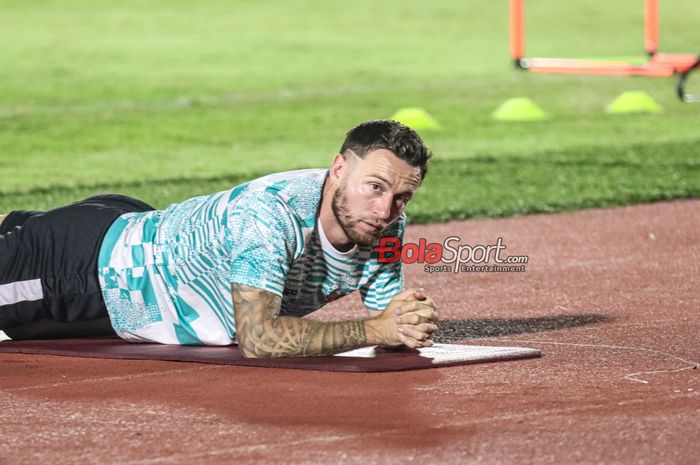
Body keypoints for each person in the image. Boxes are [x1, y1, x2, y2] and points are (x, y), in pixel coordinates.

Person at [0, 120, 439, 358]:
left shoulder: (386, 226)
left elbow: (388, 316)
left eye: (402, 197)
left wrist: (405, 319)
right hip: (87, 271)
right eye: (375, 187)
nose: (385, 210)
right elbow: (260, 339)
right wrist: (376, 328)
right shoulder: (273, 214)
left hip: (132, 229)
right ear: (339, 169)